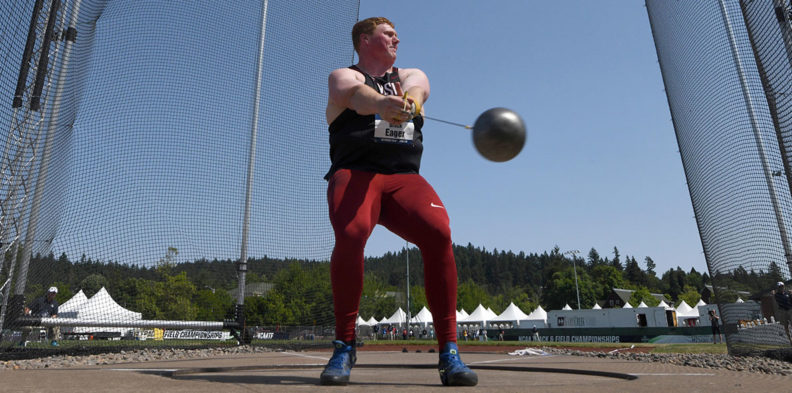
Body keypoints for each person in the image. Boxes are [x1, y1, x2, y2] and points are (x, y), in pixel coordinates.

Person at [319, 16, 477, 387]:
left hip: (403, 180)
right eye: (388, 34)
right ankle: (344, 345)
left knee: (439, 232)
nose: (397, 39)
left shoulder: (409, 75)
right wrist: (380, 104)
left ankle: (449, 352)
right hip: (356, 174)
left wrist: (410, 101)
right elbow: (355, 97)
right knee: (353, 231)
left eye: (396, 35)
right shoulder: (342, 75)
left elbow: (419, 87)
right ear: (364, 40)